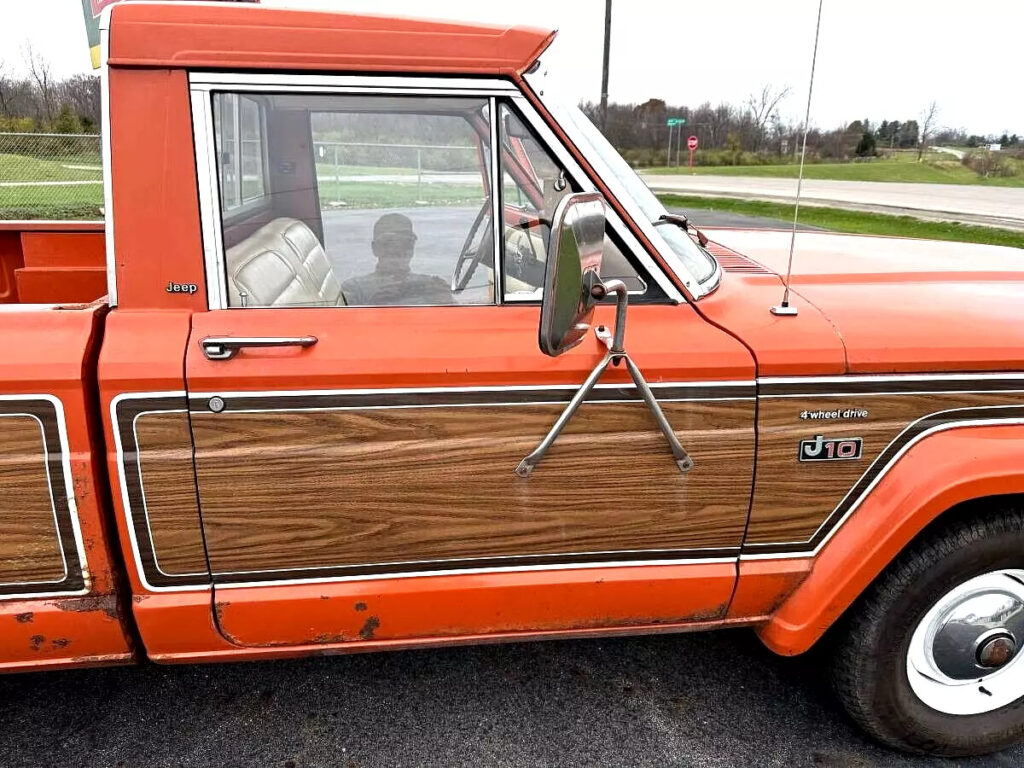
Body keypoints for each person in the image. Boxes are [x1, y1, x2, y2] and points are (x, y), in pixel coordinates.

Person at [341, 213, 453, 305]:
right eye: (389, 243)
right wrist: (373, 304)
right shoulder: (354, 289)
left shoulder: (429, 285)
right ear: (375, 248)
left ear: (412, 249)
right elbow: (343, 326)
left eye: (406, 244)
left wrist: (443, 299)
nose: (398, 250)